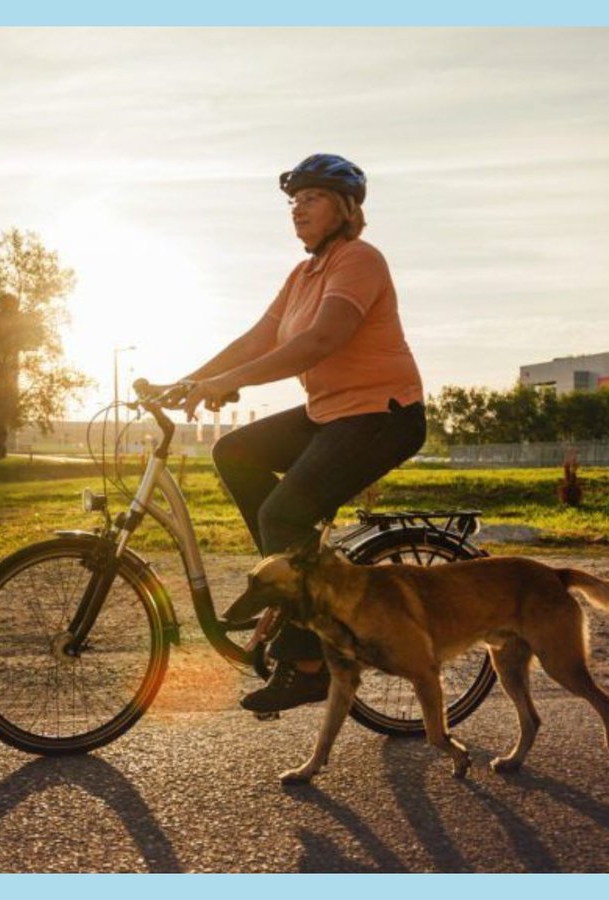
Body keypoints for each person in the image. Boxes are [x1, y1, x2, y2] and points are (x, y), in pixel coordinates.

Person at [177, 153, 428, 713]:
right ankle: (300, 575)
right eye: (293, 202)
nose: (298, 211)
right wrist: (191, 379)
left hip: (382, 415)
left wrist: (229, 382)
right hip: (329, 412)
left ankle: (307, 660)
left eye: (310, 199)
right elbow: (258, 338)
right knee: (235, 451)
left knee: (281, 514)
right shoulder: (302, 274)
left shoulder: (360, 260)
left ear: (345, 208)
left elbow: (319, 341)